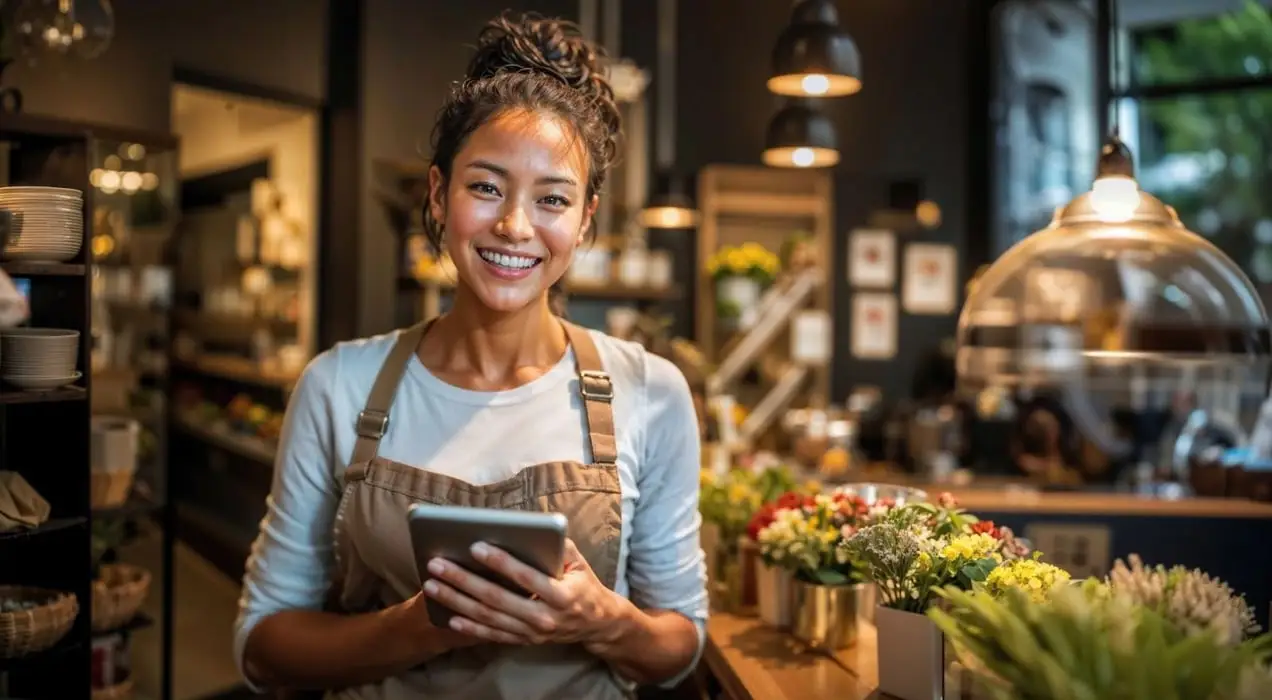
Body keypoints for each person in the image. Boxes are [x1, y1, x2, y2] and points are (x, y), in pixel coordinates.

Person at [234, 13, 708, 699]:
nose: (515, 225)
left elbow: (679, 644)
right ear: (438, 193)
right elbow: (264, 645)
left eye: (553, 199)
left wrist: (601, 620)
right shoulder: (338, 386)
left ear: (585, 221)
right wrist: (425, 625)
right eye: (486, 187)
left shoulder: (652, 393)